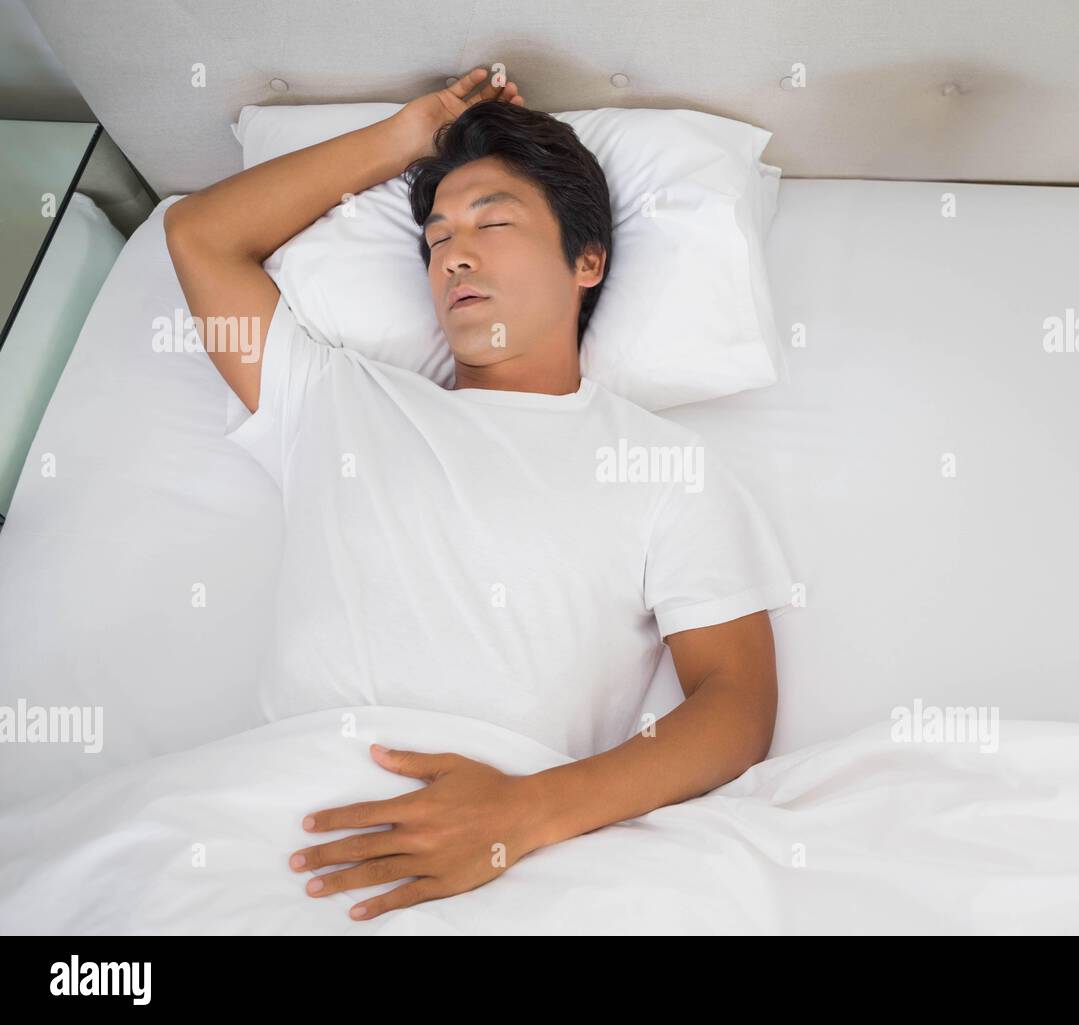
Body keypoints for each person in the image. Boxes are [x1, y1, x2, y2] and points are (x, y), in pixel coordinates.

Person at [163, 68, 795, 920]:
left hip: (509, 847)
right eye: (434, 237)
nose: (454, 251)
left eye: (493, 221)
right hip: (283, 822)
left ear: (588, 260)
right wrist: (408, 137)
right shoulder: (335, 398)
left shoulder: (659, 465)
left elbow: (736, 705)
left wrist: (522, 812)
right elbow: (199, 234)